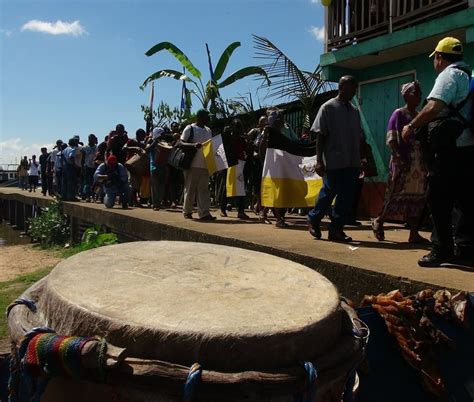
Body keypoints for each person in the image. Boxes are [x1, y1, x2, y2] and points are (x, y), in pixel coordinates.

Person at [401, 37, 473, 266]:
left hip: (450, 148)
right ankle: (465, 250)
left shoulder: (449, 75)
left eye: (436, 58)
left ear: (440, 58)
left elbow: (434, 106)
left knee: (438, 198)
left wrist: (412, 125)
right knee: (465, 200)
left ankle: (441, 249)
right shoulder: (469, 77)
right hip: (468, 147)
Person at [308, 75, 365, 242]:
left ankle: (336, 229)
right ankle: (314, 219)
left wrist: (362, 159)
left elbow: (359, 137)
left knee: (347, 196)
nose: (354, 90)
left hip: (352, 160)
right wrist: (319, 160)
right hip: (334, 159)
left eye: (355, 87)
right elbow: (320, 136)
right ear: (342, 87)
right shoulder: (327, 107)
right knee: (329, 191)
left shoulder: (354, 110)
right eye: (352, 87)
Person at [372, 81, 428, 243]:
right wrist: (398, 158)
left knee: (417, 197)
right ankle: (379, 221)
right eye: (416, 93)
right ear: (407, 95)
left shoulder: (418, 116)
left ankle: (414, 233)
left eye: (419, 93)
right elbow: (392, 139)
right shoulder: (399, 114)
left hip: (418, 163)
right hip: (403, 160)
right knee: (394, 194)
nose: (419, 96)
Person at [180, 109, 215, 220]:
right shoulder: (190, 128)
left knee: (204, 189)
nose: (208, 119)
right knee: (190, 188)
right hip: (192, 164)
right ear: (200, 117)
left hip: (205, 165)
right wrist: (194, 145)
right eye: (206, 116)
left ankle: (204, 213)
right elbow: (180, 143)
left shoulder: (208, 130)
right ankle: (187, 211)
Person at [258, 109, 289, 228]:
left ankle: (267, 214)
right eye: (280, 119)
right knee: (276, 192)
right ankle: (278, 218)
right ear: (275, 121)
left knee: (277, 192)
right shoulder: (267, 134)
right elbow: (262, 151)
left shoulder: (283, 133)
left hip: (281, 166)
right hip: (271, 168)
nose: (282, 121)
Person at [220, 120, 250, 220]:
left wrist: (248, 142)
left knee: (241, 187)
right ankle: (222, 209)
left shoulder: (242, 139)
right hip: (229, 164)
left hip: (240, 164)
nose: (238, 128)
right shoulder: (227, 138)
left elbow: (247, 151)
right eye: (236, 126)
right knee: (227, 186)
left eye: (239, 126)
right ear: (232, 127)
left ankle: (241, 211)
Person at [247, 116, 267, 217]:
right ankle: (259, 205)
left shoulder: (269, 133)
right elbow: (246, 141)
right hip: (255, 162)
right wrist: (253, 152)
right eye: (262, 122)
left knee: (264, 184)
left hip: (265, 161)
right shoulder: (254, 131)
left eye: (266, 122)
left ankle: (258, 205)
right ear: (259, 124)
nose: (264, 124)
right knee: (257, 184)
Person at [145, 127, 168, 211]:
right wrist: (154, 142)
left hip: (163, 166)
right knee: (155, 186)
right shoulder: (150, 141)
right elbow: (146, 150)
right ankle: (155, 204)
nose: (163, 136)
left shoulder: (164, 142)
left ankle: (159, 202)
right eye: (162, 134)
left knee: (162, 186)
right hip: (154, 166)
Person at [81, 134, 98, 202]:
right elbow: (83, 158)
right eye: (92, 139)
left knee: (95, 182)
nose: (93, 140)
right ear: (89, 139)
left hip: (95, 167)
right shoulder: (85, 148)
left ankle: (93, 196)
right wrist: (82, 167)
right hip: (87, 167)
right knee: (88, 182)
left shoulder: (96, 147)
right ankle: (87, 196)